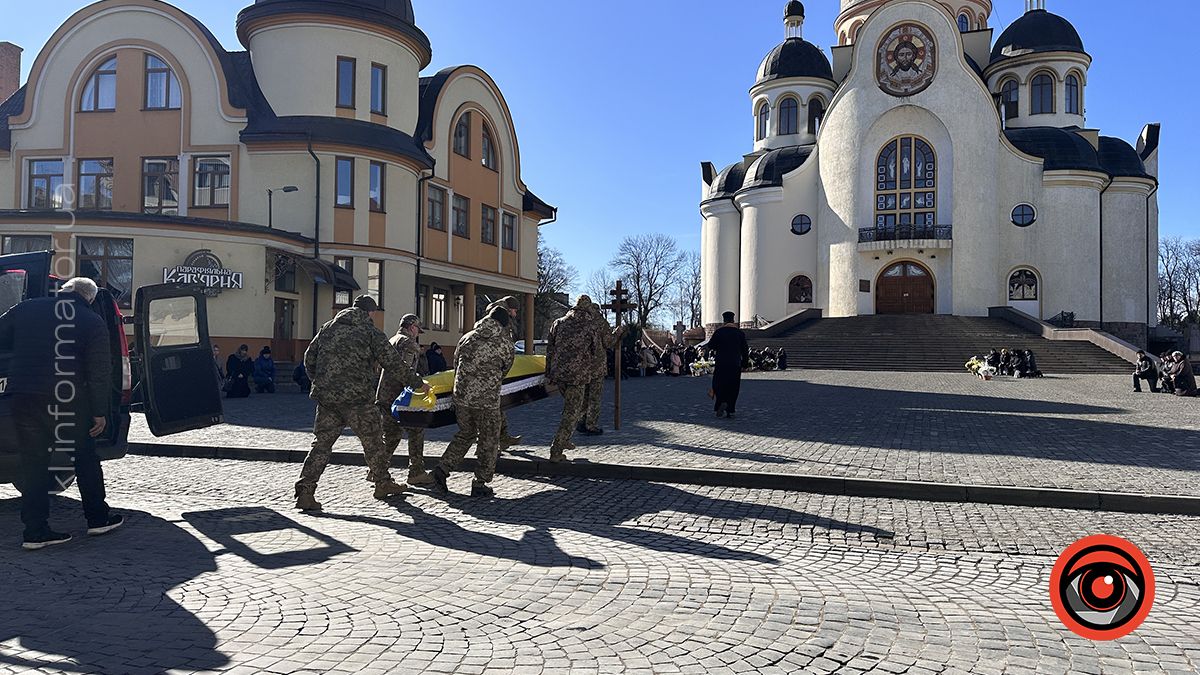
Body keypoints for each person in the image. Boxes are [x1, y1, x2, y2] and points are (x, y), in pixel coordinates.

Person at [0, 277, 124, 549]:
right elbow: (99, 372)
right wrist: (99, 413)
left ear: (63, 291)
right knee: (85, 458)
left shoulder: (26, 308)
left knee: (33, 463)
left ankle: (35, 532)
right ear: (89, 298)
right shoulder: (92, 321)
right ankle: (98, 519)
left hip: (24, 396)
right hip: (68, 400)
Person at [294, 295, 410, 511]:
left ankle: (305, 492)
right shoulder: (370, 332)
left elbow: (309, 359)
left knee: (321, 445)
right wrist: (416, 382)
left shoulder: (328, 328)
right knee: (374, 442)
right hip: (358, 400)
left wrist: (322, 382)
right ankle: (382, 483)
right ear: (370, 313)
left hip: (328, 400)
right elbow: (392, 362)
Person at [430, 305, 516, 497]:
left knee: (465, 434)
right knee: (489, 441)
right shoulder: (505, 343)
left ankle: (442, 469)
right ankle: (480, 483)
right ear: (503, 323)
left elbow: (456, 360)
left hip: (461, 397)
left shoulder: (467, 337)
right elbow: (505, 369)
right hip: (486, 401)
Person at [377, 314, 435, 486]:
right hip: (400, 398)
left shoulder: (393, 340)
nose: (418, 333)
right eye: (418, 329)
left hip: (385, 396)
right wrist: (419, 384)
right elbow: (405, 369)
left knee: (392, 436)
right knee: (416, 431)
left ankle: (377, 470)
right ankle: (416, 472)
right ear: (411, 327)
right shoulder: (408, 343)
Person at [547, 296, 604, 461]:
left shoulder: (558, 323)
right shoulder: (590, 326)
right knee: (573, 411)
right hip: (578, 376)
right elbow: (597, 352)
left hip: (560, 374)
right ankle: (556, 449)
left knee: (573, 408)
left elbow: (550, 350)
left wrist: (549, 373)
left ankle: (564, 440)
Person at [577, 299, 624, 436]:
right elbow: (609, 342)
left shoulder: (580, 320)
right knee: (594, 397)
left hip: (580, 365)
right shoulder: (599, 322)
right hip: (596, 366)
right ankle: (591, 425)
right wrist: (618, 332)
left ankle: (581, 420)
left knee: (583, 396)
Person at [485, 297, 524, 451]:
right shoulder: (501, 319)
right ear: (509, 309)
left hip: (490, 371)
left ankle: (504, 437)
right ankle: (488, 445)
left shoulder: (493, 313)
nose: (515, 315)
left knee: (499, 407)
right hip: (492, 371)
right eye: (514, 311)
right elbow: (505, 347)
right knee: (491, 411)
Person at [703, 311, 749, 419]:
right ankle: (730, 408)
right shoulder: (740, 333)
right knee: (733, 386)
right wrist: (745, 363)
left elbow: (711, 345)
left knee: (719, 384)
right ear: (733, 320)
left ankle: (721, 402)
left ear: (724, 320)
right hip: (735, 364)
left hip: (721, 364)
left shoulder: (719, 332)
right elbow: (745, 350)